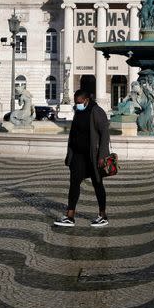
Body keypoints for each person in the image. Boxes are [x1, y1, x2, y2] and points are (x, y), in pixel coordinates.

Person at [55, 89, 111, 228]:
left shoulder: (96, 111)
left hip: (93, 156)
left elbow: (105, 134)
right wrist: (70, 154)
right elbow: (74, 132)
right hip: (78, 155)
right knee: (74, 184)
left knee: (97, 184)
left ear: (86, 100)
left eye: (79, 102)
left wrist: (102, 156)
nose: (77, 105)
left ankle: (102, 215)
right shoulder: (79, 111)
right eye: (75, 103)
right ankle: (70, 215)